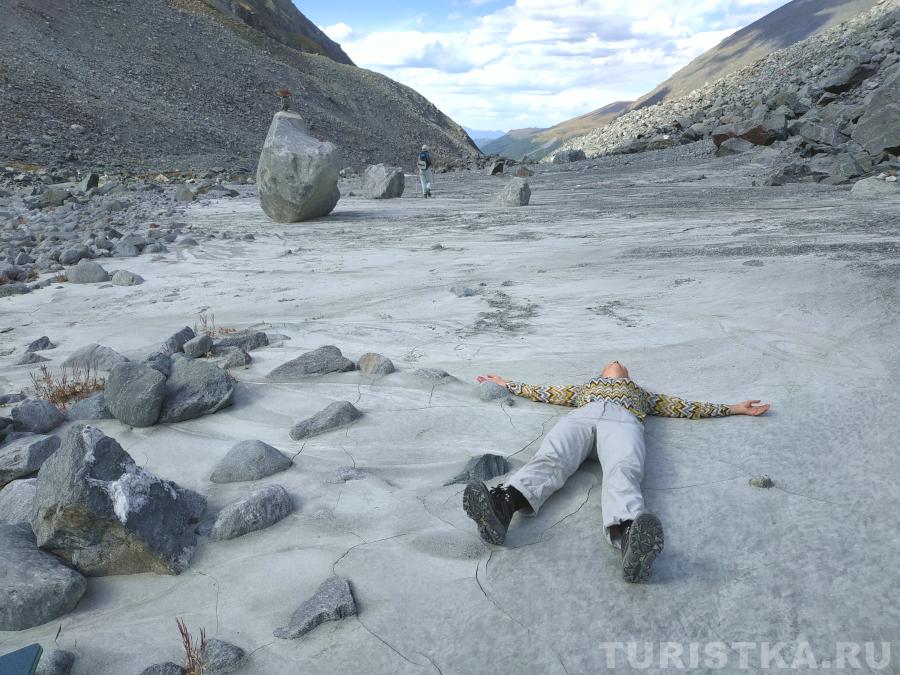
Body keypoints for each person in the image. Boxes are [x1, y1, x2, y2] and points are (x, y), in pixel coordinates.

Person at [463, 360, 770, 582]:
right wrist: (507, 384)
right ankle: (504, 506)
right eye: (612, 362)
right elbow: (544, 391)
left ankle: (630, 537)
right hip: (583, 417)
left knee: (623, 470)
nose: (617, 361)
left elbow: (685, 407)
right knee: (551, 457)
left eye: (621, 364)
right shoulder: (583, 389)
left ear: (626, 376)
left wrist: (733, 408)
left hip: (623, 421)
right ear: (601, 374)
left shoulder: (643, 395)